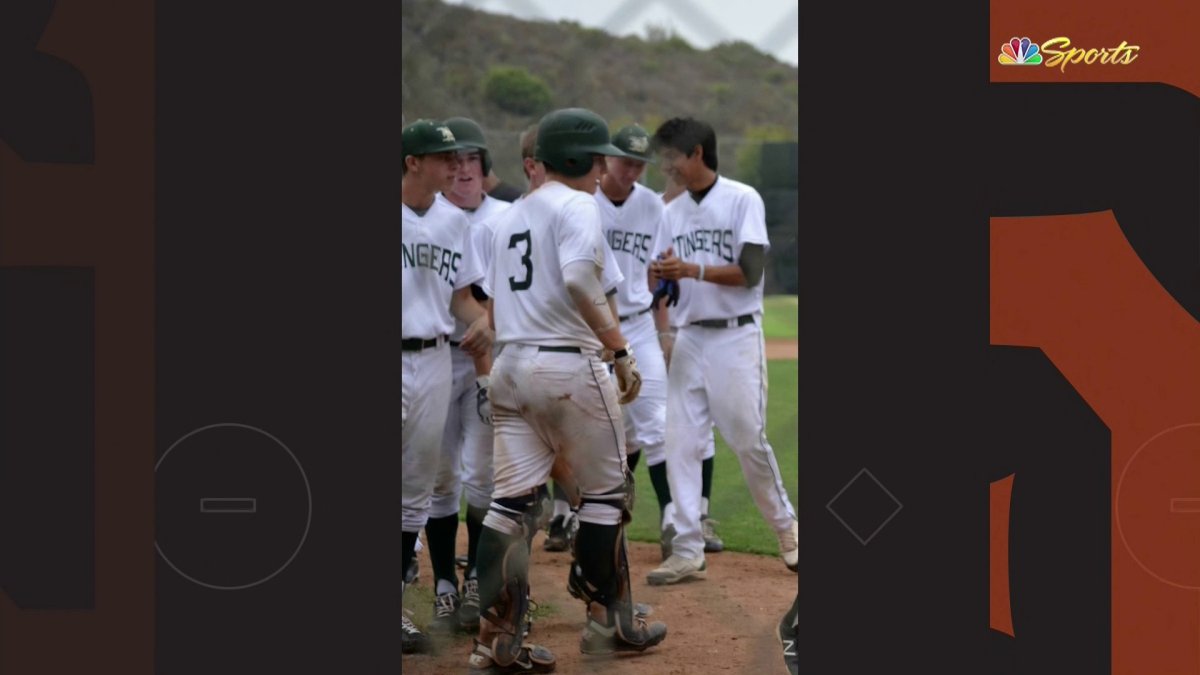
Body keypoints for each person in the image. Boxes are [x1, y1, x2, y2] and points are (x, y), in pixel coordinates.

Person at [468, 107, 667, 673]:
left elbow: (500, 301)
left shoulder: (510, 213)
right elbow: (581, 277)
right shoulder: (581, 204)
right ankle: (609, 622)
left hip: (509, 368)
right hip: (568, 367)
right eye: (601, 155)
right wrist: (620, 349)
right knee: (605, 497)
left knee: (509, 505)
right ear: (584, 159)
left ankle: (495, 641)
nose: (607, 165)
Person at [646, 117, 798, 586]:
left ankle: (789, 531)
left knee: (748, 439)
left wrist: (691, 269)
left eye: (672, 155)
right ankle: (688, 548)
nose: (666, 164)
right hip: (690, 336)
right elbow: (662, 276)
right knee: (680, 444)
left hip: (735, 336)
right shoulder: (668, 212)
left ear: (696, 154)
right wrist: (664, 294)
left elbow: (751, 271)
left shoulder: (741, 197)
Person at [402, 119, 493, 652]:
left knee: (417, 491)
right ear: (413, 162)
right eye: (443, 158)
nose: (456, 167)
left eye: (458, 159)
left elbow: (461, 295)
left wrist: (480, 318)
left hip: (435, 358)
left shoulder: (453, 222)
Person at [423, 116, 512, 634]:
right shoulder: (430, 219)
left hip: (485, 359)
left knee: (482, 476)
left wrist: (491, 328)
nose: (462, 170)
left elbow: (498, 295)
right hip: (435, 359)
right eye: (452, 161)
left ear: (485, 169)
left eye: (471, 160)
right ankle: (441, 583)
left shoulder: (505, 218)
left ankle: (476, 576)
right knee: (439, 479)